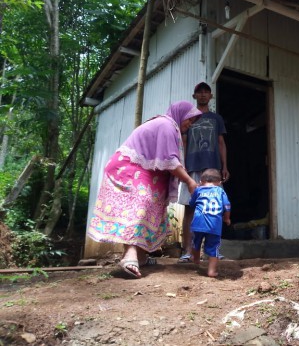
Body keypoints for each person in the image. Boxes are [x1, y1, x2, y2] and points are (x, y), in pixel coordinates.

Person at [88, 101, 202, 278]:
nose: (190, 124)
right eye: (189, 119)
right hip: (127, 167)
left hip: (141, 169)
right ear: (181, 114)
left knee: (150, 205)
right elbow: (170, 161)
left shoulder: (170, 127)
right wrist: (189, 181)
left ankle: (140, 257)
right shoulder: (166, 125)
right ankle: (130, 256)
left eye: (193, 121)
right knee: (140, 206)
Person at [178, 82, 229, 263]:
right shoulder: (188, 118)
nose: (203, 95)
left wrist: (225, 166)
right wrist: (181, 167)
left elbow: (221, 143)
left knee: (214, 209)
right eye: (199, 92)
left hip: (213, 169)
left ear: (211, 96)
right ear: (194, 96)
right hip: (191, 167)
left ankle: (212, 251)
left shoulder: (216, 119)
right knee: (189, 208)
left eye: (206, 92)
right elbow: (183, 143)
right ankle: (186, 251)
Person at [189, 168, 231, 277]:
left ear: (201, 181)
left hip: (198, 223)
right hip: (215, 225)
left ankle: (196, 259)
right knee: (213, 248)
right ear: (219, 183)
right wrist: (227, 219)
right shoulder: (220, 191)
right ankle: (211, 271)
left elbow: (192, 203)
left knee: (195, 243)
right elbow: (227, 206)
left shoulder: (198, 190)